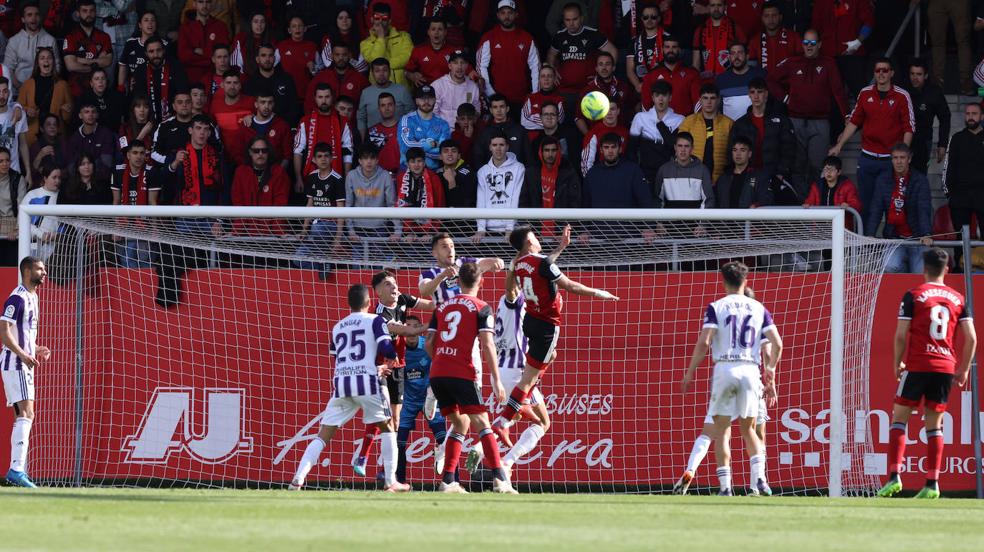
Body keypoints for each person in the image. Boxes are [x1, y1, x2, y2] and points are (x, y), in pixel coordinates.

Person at [490, 226, 618, 442]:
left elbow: (543, 267)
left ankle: (520, 402)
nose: (539, 240)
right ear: (530, 242)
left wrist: (561, 247)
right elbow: (569, 286)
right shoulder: (542, 263)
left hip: (530, 322)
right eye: (535, 237)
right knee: (528, 380)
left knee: (549, 358)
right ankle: (504, 422)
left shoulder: (520, 264)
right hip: (547, 326)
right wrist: (600, 293)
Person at [288, 284, 410, 493]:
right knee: (388, 428)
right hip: (368, 381)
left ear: (349, 303)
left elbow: (337, 357)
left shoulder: (338, 327)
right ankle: (391, 482)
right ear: (369, 302)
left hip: (342, 383)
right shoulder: (375, 320)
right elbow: (387, 349)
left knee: (323, 435)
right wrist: (385, 363)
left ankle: (297, 479)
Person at [877, 248, 977, 499]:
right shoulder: (958, 298)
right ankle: (932, 483)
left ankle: (894, 477)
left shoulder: (914, 295)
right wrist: (963, 369)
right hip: (945, 367)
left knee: (899, 419)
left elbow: (901, 334)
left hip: (919, 364)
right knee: (935, 426)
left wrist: (897, 363)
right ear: (947, 269)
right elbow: (972, 338)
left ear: (924, 267)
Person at [681, 261, 782, 496]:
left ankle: (725, 488)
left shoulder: (717, 307)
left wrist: (690, 372)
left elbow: (705, 341)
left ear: (723, 281)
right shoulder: (758, 308)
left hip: (725, 368)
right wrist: (772, 370)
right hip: (750, 370)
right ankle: (760, 481)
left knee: (722, 429)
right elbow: (776, 343)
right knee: (750, 430)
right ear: (745, 281)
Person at [424, 262, 516, 494]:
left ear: (458, 282)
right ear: (482, 282)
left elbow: (428, 343)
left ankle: (447, 482)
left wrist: (441, 360)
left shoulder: (442, 307)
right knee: (482, 423)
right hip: (462, 371)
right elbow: (487, 344)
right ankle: (500, 479)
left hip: (438, 373)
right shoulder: (482, 307)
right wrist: (496, 379)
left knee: (460, 423)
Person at [354, 271, 437, 479]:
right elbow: (406, 331)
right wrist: (433, 325)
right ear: (378, 291)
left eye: (395, 283)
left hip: (398, 367)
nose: (394, 287)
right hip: (381, 367)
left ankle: (385, 468)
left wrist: (447, 305)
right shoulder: (380, 315)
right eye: (389, 284)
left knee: (396, 420)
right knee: (382, 416)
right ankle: (363, 456)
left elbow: (429, 305)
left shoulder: (402, 299)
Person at [829, 58, 915, 222]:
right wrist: (839, 145)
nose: (881, 73)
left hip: (889, 161)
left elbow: (909, 127)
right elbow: (854, 122)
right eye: (878, 70)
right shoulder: (865, 93)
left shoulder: (902, 96)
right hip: (867, 159)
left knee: (892, 206)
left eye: (885, 70)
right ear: (874, 74)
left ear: (891, 73)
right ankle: (866, 243)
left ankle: (891, 244)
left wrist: (902, 157)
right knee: (866, 206)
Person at [767, 29, 848, 197]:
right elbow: (770, 79)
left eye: (812, 43)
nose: (809, 46)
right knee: (797, 165)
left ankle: (815, 203)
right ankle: (801, 203)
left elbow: (838, 91)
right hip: (795, 120)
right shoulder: (792, 62)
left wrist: (847, 115)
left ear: (819, 44)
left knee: (817, 166)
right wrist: (785, 98)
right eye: (806, 43)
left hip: (820, 122)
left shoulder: (828, 63)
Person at [1, 256, 50, 488]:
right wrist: (22, 354)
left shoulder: (33, 296)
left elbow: (21, 333)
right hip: (15, 363)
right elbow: (4, 332)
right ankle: (16, 470)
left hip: (22, 362)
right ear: (27, 270)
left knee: (24, 414)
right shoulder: (17, 297)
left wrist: (35, 348)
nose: (44, 272)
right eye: (40, 269)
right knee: (27, 413)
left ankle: (16, 469)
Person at [395, 315, 449, 483]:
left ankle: (451, 481)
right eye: (407, 326)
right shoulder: (397, 348)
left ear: (420, 329)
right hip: (407, 402)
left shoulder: (427, 345)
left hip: (429, 398)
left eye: (415, 326)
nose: (411, 331)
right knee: (399, 443)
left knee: (444, 440)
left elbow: (441, 364)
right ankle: (400, 483)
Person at [865, 143, 933, 273]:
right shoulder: (882, 179)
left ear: (909, 159)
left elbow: (923, 208)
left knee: (920, 272)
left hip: (917, 239)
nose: (899, 161)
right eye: (895, 158)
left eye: (902, 157)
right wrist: (870, 234)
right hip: (894, 238)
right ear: (891, 159)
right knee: (890, 267)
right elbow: (876, 209)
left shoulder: (920, 180)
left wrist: (926, 234)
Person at [547, 2, 619, 102]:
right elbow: (551, 55)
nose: (571, 23)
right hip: (564, 90)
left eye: (575, 19)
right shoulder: (559, 36)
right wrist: (552, 70)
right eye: (567, 20)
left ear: (581, 18)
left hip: (589, 90)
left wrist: (603, 74)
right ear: (563, 20)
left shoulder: (593, 34)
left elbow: (613, 51)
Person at [728, 77, 795, 184]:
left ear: (766, 94)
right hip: (747, 177)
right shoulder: (740, 124)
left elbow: (789, 149)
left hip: (774, 176)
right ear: (749, 95)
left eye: (760, 92)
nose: (756, 96)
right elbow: (731, 151)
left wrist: (781, 173)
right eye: (752, 92)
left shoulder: (781, 121)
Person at [477, 0, 540, 110]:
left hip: (522, 98)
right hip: (497, 100)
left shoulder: (527, 38)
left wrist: (535, 95)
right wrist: (491, 94)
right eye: (503, 13)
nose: (506, 16)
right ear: (497, 15)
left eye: (510, 13)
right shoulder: (489, 37)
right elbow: (481, 66)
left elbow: (536, 68)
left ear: (516, 14)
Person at [294, 84, 354, 188]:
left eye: (327, 97)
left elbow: (348, 152)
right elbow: (298, 151)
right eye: (320, 97)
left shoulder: (342, 121)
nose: (324, 101)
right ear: (315, 98)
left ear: (332, 98)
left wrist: (347, 179)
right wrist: (298, 178)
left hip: (336, 177)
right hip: (310, 177)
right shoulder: (306, 121)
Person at [419, 232, 504, 305]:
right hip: (444, 319)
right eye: (444, 247)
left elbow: (485, 263)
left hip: (468, 313)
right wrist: (442, 276)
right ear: (435, 253)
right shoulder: (429, 273)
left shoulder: (463, 263)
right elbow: (424, 291)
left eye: (452, 246)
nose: (450, 250)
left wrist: (496, 261)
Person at [811, 0, 874, 96]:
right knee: (830, 95)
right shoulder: (821, 2)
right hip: (828, 56)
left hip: (853, 54)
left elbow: (869, 22)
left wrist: (858, 42)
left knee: (860, 93)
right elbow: (815, 27)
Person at [521, 136, 580, 237]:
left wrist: (567, 228)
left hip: (560, 233)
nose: (550, 154)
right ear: (541, 152)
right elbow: (524, 201)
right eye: (547, 150)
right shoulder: (531, 173)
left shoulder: (569, 172)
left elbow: (575, 202)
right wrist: (530, 228)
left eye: (553, 150)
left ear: (558, 152)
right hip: (536, 232)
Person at [231, 136, 290, 236]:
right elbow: (238, 203)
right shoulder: (240, 172)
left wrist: (279, 233)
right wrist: (237, 231)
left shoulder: (278, 172)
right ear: (250, 152)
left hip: (271, 234)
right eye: (256, 151)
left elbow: (280, 205)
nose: (260, 154)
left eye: (264, 150)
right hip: (245, 232)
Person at [473, 132, 525, 243]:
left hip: (512, 229)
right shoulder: (483, 171)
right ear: (490, 147)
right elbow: (481, 200)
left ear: (507, 147)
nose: (498, 148)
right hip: (489, 230)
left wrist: (510, 227)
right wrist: (481, 228)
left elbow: (515, 198)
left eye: (501, 145)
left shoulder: (519, 168)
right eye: (494, 145)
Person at [629, 80, 683, 184]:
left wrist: (659, 123)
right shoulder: (640, 118)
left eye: (664, 95)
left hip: (671, 175)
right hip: (645, 174)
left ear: (670, 97)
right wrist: (636, 173)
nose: (661, 99)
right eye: (657, 95)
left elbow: (673, 145)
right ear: (653, 98)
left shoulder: (680, 120)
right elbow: (632, 150)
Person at [678, 84, 733, 183]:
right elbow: (680, 149)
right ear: (700, 100)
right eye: (705, 98)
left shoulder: (729, 123)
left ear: (718, 100)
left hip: (721, 179)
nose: (709, 102)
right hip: (693, 176)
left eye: (712, 98)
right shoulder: (689, 122)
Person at [943, 103, 984, 238]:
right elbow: (948, 167)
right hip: (960, 197)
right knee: (961, 240)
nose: (970, 117)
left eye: (974, 114)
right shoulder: (957, 138)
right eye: (968, 114)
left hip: (982, 195)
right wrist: (950, 194)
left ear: (981, 116)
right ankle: (961, 259)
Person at [18, 47, 72, 145]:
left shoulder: (62, 84)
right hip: (33, 135)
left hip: (56, 134)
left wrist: (66, 109)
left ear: (53, 62)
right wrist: (27, 110)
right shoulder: (28, 84)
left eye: (49, 58)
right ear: (37, 63)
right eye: (42, 58)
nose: (46, 60)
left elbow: (69, 115)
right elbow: (18, 107)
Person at [4, 4, 62, 93]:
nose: (34, 18)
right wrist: (20, 88)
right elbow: (8, 69)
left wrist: (48, 85)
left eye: (37, 14)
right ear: (23, 19)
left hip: (46, 90)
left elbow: (57, 66)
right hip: (19, 91)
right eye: (29, 15)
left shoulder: (50, 40)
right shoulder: (14, 41)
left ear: (40, 17)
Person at [905, 60, 950, 174]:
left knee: (920, 176)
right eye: (912, 74)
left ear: (926, 75)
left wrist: (942, 144)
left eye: (919, 74)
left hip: (924, 142)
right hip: (902, 140)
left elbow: (945, 118)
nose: (915, 78)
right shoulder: (902, 90)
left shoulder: (934, 93)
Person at [62, 0, 114, 97]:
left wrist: (80, 60)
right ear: (78, 14)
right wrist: (95, 65)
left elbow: (107, 61)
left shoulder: (104, 36)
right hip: (76, 90)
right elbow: (71, 65)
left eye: (91, 11)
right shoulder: (71, 37)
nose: (88, 14)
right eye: (84, 11)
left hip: (99, 90)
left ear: (96, 12)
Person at [345, 144, 396, 241]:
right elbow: (348, 204)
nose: (369, 161)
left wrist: (397, 232)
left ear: (377, 160)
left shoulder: (385, 176)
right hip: (357, 228)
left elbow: (392, 204)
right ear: (360, 161)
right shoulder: (351, 176)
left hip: (380, 228)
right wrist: (351, 231)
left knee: (378, 257)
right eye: (365, 158)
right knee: (358, 257)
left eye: (372, 158)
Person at [640, 35, 700, 116]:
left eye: (674, 47)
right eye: (667, 47)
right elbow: (646, 104)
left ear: (679, 50)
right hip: (659, 124)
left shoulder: (691, 74)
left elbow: (698, 103)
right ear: (662, 50)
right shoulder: (651, 75)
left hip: (685, 124)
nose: (670, 50)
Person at [133, 36, 188, 124]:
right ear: (146, 53)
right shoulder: (140, 70)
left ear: (164, 50)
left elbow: (182, 93)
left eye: (158, 50)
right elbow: (139, 98)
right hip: (148, 120)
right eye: (151, 51)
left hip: (174, 118)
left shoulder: (176, 66)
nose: (155, 55)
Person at [654, 132, 715, 209]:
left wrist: (701, 221)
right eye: (680, 146)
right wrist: (660, 220)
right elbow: (658, 199)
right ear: (675, 147)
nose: (683, 150)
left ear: (692, 148)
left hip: (694, 220)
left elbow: (708, 200)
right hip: (670, 220)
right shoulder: (664, 170)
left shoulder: (702, 170)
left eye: (686, 146)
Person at [576, 53, 635, 132]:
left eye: (607, 64)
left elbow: (635, 107)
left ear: (613, 68)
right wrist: (589, 137)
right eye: (601, 64)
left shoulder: (624, 87)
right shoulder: (588, 90)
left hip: (620, 135)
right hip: (597, 136)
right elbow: (578, 118)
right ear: (596, 68)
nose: (604, 68)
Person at [308, 42, 371, 116]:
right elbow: (309, 102)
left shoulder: (360, 79)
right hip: (326, 124)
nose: (341, 58)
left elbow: (368, 105)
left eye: (344, 55)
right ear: (331, 56)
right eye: (337, 55)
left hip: (352, 125)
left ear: (350, 56)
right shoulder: (321, 77)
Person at [397, 85, 450, 170]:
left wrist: (418, 148)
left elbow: (444, 153)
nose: (426, 101)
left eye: (430, 98)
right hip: (408, 170)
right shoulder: (407, 120)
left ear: (435, 100)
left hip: (434, 171)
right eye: (422, 98)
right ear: (416, 101)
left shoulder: (443, 124)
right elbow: (405, 147)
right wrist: (432, 144)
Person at [357, 57, 413, 138]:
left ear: (389, 72)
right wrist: (363, 140)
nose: (381, 74)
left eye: (385, 70)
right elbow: (361, 118)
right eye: (377, 71)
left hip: (399, 139)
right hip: (374, 140)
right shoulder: (366, 93)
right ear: (372, 73)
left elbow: (411, 116)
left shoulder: (402, 90)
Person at [178, 0, 232, 84]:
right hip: (191, 78)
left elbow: (222, 56)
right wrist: (210, 56)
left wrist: (196, 52)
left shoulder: (221, 26)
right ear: (194, 4)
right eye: (201, 2)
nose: (205, 5)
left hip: (215, 77)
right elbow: (183, 56)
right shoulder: (185, 28)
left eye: (208, 2)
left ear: (212, 4)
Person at [243, 44, 297, 127]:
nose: (267, 59)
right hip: (259, 129)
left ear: (275, 58)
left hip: (284, 127)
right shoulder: (249, 83)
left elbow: (293, 106)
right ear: (257, 59)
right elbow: (248, 109)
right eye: (263, 55)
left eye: (270, 55)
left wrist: (285, 125)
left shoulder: (286, 79)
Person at [360, 2, 413, 87]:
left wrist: (384, 65)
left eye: (384, 18)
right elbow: (375, 61)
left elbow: (407, 58)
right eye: (377, 18)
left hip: (402, 89)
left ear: (389, 21)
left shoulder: (404, 36)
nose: (380, 21)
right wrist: (381, 37)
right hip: (378, 91)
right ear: (371, 19)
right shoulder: (365, 43)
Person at [803, 156, 863, 227]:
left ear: (839, 172)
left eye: (832, 170)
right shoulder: (816, 185)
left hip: (841, 228)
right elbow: (810, 201)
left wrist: (849, 206)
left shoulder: (848, 186)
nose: (828, 172)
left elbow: (857, 204)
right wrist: (807, 204)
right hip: (819, 228)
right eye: (826, 169)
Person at [118, 10, 168, 94]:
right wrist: (121, 87)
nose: (150, 23)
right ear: (140, 25)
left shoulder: (164, 44)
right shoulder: (131, 43)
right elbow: (123, 66)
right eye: (146, 20)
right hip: (133, 88)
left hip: (156, 88)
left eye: (153, 20)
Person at [692, 0, 746, 78]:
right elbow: (696, 63)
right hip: (706, 80)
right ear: (708, 7)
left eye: (719, 5)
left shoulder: (735, 28)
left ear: (725, 7)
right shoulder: (700, 30)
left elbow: (744, 58)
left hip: (730, 78)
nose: (716, 9)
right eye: (713, 5)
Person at [626, 3, 672, 94]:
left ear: (659, 18)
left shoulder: (668, 38)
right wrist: (638, 86)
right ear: (641, 19)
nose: (649, 20)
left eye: (653, 17)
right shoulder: (634, 41)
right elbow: (629, 70)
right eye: (645, 17)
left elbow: (673, 65)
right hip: (641, 87)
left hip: (664, 86)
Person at [714, 136, 772, 208]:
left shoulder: (759, 176)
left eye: (742, 150)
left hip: (749, 218)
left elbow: (766, 200)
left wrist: (756, 206)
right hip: (726, 219)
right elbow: (715, 203)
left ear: (749, 154)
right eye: (735, 150)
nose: (738, 154)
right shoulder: (723, 178)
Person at [473, 94, 531, 166]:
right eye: (495, 107)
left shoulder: (520, 130)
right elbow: (478, 158)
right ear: (491, 110)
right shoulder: (484, 133)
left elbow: (529, 158)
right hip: (492, 175)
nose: (498, 110)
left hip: (517, 175)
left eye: (502, 106)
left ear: (507, 109)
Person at [715, 42, 766, 121]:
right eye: (733, 53)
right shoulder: (721, 79)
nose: (736, 57)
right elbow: (717, 107)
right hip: (730, 130)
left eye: (740, 53)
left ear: (747, 56)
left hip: (756, 128)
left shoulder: (760, 75)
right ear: (729, 57)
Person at [22, 162, 61, 263]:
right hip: (33, 247)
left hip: (58, 248)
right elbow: (23, 223)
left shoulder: (64, 196)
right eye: (54, 177)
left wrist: (59, 236)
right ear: (45, 178)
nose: (57, 181)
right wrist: (41, 234)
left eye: (59, 178)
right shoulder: (32, 195)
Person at [747, 1, 802, 71]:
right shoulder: (755, 41)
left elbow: (802, 64)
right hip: (763, 80)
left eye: (774, 15)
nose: (770, 19)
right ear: (762, 18)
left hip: (788, 80)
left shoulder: (794, 38)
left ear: (780, 17)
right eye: (766, 16)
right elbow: (751, 69)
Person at [432, 50, 480, 129]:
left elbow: (476, 109)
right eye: (455, 63)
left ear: (467, 65)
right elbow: (433, 113)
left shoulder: (473, 86)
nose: (459, 66)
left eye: (463, 62)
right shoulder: (438, 85)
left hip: (465, 130)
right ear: (450, 66)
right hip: (443, 131)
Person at [404, 17, 457, 87]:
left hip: (448, 90)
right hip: (426, 91)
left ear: (445, 32)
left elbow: (467, 71)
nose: (436, 32)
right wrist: (412, 76)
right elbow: (406, 72)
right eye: (433, 29)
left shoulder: (454, 50)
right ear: (428, 32)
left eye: (440, 29)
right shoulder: (418, 50)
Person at [277, 15, 319, 103]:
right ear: (289, 30)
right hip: (286, 93)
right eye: (294, 26)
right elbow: (271, 66)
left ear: (305, 29)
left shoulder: (312, 46)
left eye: (300, 26)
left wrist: (313, 68)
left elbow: (319, 70)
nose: (297, 28)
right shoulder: (282, 46)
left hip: (306, 94)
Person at [580, 102, 627, 176]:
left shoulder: (625, 132)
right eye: (605, 110)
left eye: (612, 109)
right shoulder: (593, 133)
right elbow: (586, 165)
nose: (609, 113)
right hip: (600, 176)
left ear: (618, 111)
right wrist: (594, 182)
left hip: (622, 175)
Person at [318, 6, 368, 74]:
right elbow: (328, 63)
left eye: (348, 17)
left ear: (352, 20)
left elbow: (363, 67)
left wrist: (339, 59)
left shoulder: (361, 37)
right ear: (336, 21)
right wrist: (350, 58)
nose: (344, 20)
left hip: (356, 76)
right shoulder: (328, 38)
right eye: (340, 18)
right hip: (334, 75)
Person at [520, 65, 566, 132]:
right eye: (543, 76)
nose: (546, 79)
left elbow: (558, 121)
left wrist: (534, 117)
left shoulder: (560, 99)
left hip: (553, 137)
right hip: (533, 138)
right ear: (539, 79)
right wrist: (548, 121)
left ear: (554, 79)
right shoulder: (530, 98)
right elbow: (524, 121)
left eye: (549, 76)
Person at [0, 77, 28, 183]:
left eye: (5, 91)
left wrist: (28, 171)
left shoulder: (18, 113)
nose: (1, 96)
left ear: (9, 92)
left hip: (14, 172)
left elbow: (23, 145)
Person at [0, 147, 25, 266]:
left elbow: (22, 206)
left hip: (12, 225)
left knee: (10, 265)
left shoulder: (17, 179)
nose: (5, 164)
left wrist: (16, 229)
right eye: (1, 161)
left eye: (7, 160)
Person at [230, 11, 275, 75]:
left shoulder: (272, 41)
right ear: (250, 23)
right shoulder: (241, 38)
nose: (259, 25)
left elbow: (274, 64)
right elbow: (235, 65)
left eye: (262, 22)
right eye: (256, 21)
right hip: (245, 80)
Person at [29, 115, 64, 186]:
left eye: (55, 124)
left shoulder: (64, 144)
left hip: (62, 182)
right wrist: (40, 155)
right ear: (41, 128)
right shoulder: (35, 146)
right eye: (48, 124)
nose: (52, 127)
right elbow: (32, 171)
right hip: (42, 185)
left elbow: (71, 167)